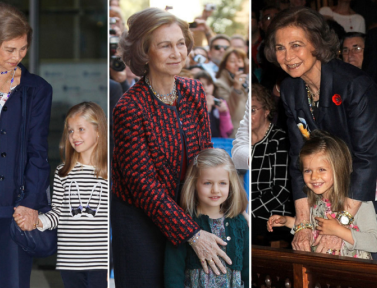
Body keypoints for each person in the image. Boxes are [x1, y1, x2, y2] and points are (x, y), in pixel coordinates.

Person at [111, 8, 232, 287]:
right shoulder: (129, 107)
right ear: (144, 52)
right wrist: (191, 234)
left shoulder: (193, 91)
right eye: (165, 45)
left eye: (180, 44)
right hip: (138, 221)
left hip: (184, 209)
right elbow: (142, 184)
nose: (177, 53)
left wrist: (215, 209)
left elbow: (205, 159)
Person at [264, 7, 377, 259]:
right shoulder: (290, 89)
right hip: (334, 187)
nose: (288, 56)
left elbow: (366, 158)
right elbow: (299, 158)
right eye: (280, 48)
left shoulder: (354, 85)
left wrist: (341, 223)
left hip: (375, 184)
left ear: (316, 45)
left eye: (296, 45)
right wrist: (304, 223)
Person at [0, 3, 52, 287]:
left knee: (13, 278)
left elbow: (38, 151)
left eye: (23, 48)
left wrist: (31, 201)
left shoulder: (37, 89)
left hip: (14, 196)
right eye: (10, 49)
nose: (17, 56)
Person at [15, 102, 108, 287]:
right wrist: (37, 221)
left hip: (100, 261)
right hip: (69, 259)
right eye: (71, 131)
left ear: (98, 131)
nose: (74, 136)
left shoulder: (108, 172)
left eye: (81, 129)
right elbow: (58, 213)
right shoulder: (62, 172)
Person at [268, 130, 377, 258]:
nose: (314, 177)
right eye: (308, 170)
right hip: (324, 270)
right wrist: (287, 221)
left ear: (338, 168)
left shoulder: (359, 201)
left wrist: (338, 231)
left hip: (355, 273)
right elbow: (311, 225)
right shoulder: (314, 200)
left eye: (321, 170)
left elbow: (375, 242)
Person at [164, 148, 249, 287]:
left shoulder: (240, 224)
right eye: (207, 183)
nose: (215, 189)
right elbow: (173, 274)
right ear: (194, 184)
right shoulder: (183, 225)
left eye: (222, 183)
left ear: (230, 185)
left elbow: (247, 271)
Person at [250, 84, 292, 245]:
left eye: (253, 110)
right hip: (247, 215)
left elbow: (282, 189)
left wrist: (250, 210)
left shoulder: (280, 139)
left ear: (266, 110)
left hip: (274, 217)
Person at [215, 48, 248, 138]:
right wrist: (236, 88)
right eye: (232, 61)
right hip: (234, 134)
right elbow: (228, 110)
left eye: (240, 61)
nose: (237, 64)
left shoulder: (247, 81)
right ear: (225, 64)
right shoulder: (219, 84)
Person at [194, 71, 233, 138]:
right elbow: (201, 132)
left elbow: (227, 133)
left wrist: (224, 113)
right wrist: (207, 109)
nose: (206, 88)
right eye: (202, 85)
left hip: (219, 143)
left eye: (209, 84)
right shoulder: (192, 104)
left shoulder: (219, 101)